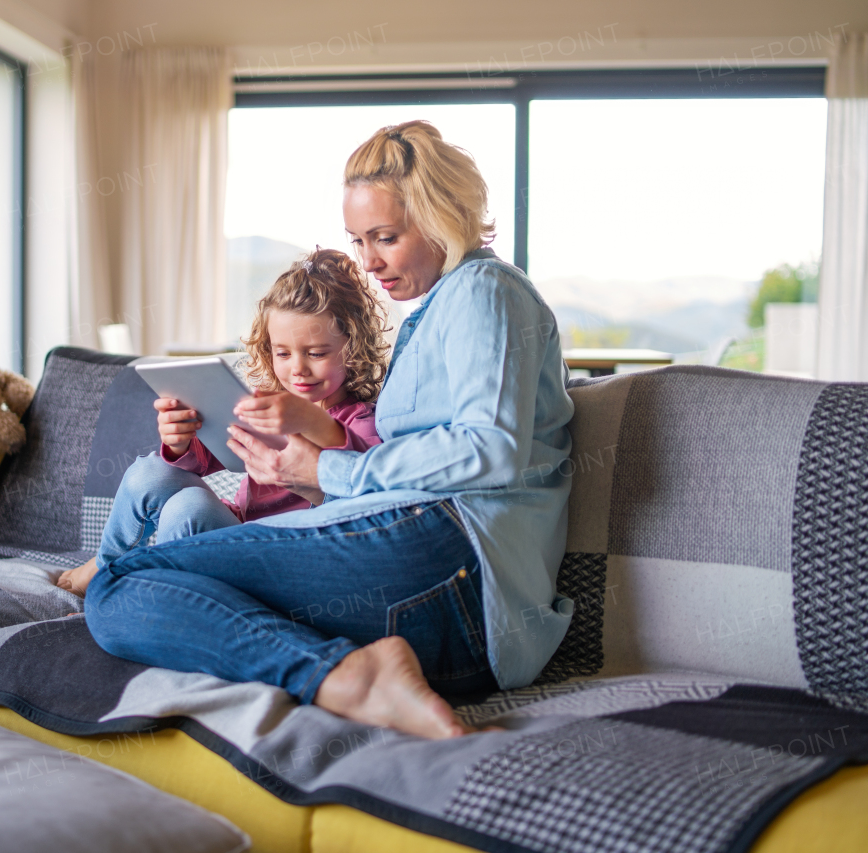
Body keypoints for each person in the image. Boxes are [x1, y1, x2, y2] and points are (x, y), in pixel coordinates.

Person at [82, 120, 576, 740]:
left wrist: (326, 470)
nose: (368, 261)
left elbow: (491, 447)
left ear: (443, 215)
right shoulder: (438, 308)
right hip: (452, 628)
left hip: (456, 559)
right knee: (128, 585)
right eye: (358, 240)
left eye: (385, 238)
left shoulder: (483, 290)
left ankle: (345, 679)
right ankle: (350, 672)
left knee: (119, 582)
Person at [58, 248, 388, 596]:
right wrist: (180, 441)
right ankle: (104, 565)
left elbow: (367, 500)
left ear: (353, 347)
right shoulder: (264, 403)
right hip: (235, 526)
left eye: (317, 353)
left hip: (283, 554)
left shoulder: (361, 422)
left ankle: (162, 600)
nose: (298, 369)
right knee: (150, 472)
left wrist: (314, 427)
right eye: (283, 353)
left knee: (188, 508)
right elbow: (203, 460)